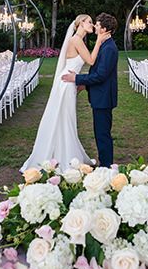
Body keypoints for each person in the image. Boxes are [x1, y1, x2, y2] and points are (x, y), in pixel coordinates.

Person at [20, 14, 110, 171]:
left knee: (66, 120)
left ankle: (66, 154)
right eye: (89, 22)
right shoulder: (75, 40)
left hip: (70, 83)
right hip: (67, 83)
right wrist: (99, 41)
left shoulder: (78, 40)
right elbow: (90, 61)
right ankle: (65, 157)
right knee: (65, 120)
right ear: (81, 23)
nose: (92, 25)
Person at [61, 13, 119, 168]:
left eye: (97, 25)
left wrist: (77, 79)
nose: (95, 26)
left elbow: (100, 75)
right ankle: (104, 163)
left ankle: (106, 166)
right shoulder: (104, 45)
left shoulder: (109, 48)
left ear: (104, 29)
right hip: (100, 96)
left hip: (103, 98)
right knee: (100, 133)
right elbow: (97, 71)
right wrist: (85, 84)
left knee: (102, 134)